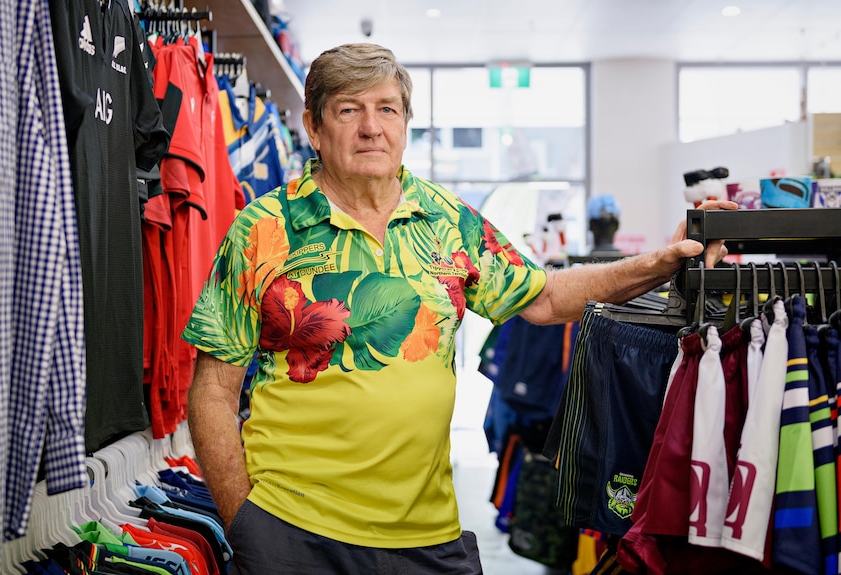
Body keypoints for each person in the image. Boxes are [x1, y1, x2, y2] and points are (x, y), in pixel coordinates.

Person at [182, 42, 735, 575]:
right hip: (291, 530)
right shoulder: (263, 229)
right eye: (349, 110)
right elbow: (212, 388)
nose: (371, 126)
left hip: (427, 535)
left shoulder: (448, 222)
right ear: (314, 127)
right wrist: (243, 521)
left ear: (405, 125)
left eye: (387, 109)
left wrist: (659, 263)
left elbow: (542, 298)